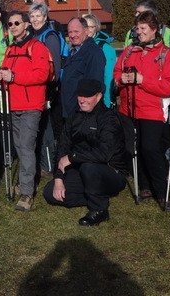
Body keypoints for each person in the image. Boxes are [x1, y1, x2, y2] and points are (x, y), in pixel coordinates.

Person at [115, 11, 170, 211]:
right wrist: (119, 80)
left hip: (152, 110)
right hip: (128, 108)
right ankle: (144, 185)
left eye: (143, 29)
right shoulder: (129, 51)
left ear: (154, 30)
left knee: (150, 149)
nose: (139, 32)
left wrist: (143, 81)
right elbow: (118, 71)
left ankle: (162, 192)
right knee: (133, 149)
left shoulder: (166, 54)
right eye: (138, 28)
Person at [42, 78, 127, 226]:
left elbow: (103, 154)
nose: (82, 100)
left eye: (87, 96)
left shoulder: (109, 119)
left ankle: (99, 210)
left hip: (110, 172)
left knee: (89, 167)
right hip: (81, 168)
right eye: (80, 95)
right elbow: (63, 146)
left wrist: (72, 157)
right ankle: (94, 194)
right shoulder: (74, 116)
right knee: (51, 193)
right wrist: (58, 178)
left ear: (98, 96)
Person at [0, 11, 51, 212]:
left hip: (31, 106)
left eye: (17, 23)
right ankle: (26, 182)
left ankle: (27, 192)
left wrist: (14, 75)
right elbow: (7, 73)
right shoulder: (10, 49)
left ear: (26, 25)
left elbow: (42, 74)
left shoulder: (37, 47)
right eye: (10, 24)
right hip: (13, 105)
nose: (13, 26)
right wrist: (0, 74)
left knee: (26, 147)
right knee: (19, 146)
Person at [29, 0, 67, 175]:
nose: (35, 19)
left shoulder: (49, 36)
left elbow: (56, 68)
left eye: (38, 16)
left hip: (48, 90)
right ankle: (43, 162)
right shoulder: (33, 35)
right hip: (35, 87)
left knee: (47, 128)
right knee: (40, 127)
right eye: (32, 16)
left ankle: (49, 165)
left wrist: (50, 92)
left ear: (45, 17)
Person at [60, 17, 106, 121]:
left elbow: (95, 83)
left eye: (76, 31)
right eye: (70, 32)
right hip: (70, 111)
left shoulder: (93, 52)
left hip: (82, 112)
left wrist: (84, 108)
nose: (72, 35)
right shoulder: (74, 50)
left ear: (86, 31)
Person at [83, 13, 117, 109]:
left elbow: (108, 76)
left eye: (91, 27)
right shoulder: (78, 46)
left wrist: (107, 101)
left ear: (96, 28)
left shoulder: (105, 48)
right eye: (85, 26)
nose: (88, 30)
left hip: (98, 97)